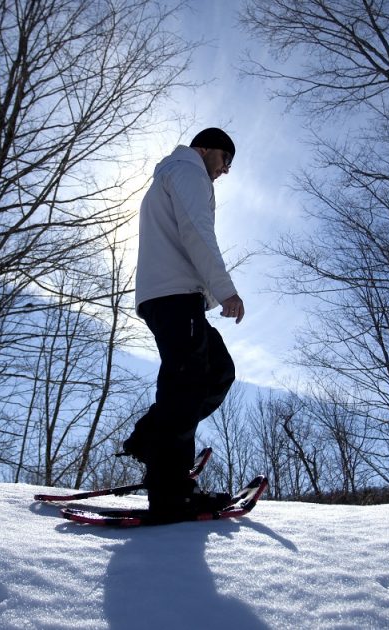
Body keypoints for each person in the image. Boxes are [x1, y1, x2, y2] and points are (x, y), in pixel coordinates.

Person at [120, 127, 246, 522]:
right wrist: (226, 290)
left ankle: (150, 440)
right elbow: (197, 231)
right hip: (174, 296)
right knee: (188, 385)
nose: (225, 172)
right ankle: (171, 491)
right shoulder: (188, 171)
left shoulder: (172, 174)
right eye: (226, 161)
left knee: (217, 371)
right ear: (207, 149)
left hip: (173, 296)